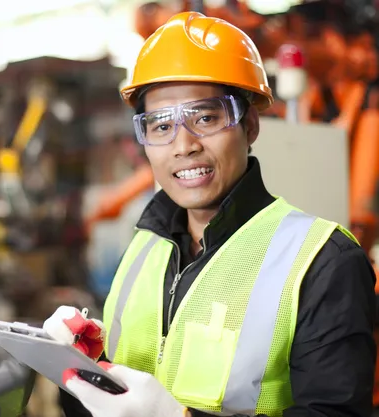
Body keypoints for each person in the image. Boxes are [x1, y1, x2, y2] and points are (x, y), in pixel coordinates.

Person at [42, 10, 377, 417]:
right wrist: (80, 368)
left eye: (205, 117)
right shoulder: (146, 245)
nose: (184, 145)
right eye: (161, 126)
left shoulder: (323, 261)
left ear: (250, 125)